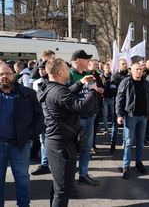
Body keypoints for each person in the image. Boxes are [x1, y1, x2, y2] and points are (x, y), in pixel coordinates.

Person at [37, 58, 102, 207]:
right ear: (60, 72)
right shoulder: (58, 91)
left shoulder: (50, 87)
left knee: (58, 186)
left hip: (57, 142)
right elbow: (81, 107)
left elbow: (65, 95)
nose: (69, 71)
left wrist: (81, 83)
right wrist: (92, 90)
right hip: (62, 145)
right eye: (67, 69)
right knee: (63, 190)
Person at [0, 63, 43, 207]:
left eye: (8, 73)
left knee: (22, 179)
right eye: (1, 74)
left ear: (14, 75)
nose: (4, 76)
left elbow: (39, 117)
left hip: (19, 144)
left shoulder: (28, 94)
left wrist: (30, 135)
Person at [115, 62, 149, 179]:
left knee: (140, 141)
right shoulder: (126, 82)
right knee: (128, 142)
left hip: (143, 116)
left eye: (140, 69)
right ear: (131, 71)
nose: (139, 71)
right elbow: (119, 98)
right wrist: (119, 114)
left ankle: (138, 162)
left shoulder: (146, 83)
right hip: (130, 116)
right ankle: (126, 166)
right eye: (136, 69)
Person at [69, 50, 102, 186]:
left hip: (90, 116)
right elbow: (64, 93)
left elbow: (92, 91)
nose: (89, 61)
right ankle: (69, 178)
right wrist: (81, 83)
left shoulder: (89, 74)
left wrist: (97, 90)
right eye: (86, 59)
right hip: (76, 118)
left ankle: (83, 174)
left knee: (86, 147)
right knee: (72, 149)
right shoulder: (69, 74)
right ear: (78, 60)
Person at [31, 61, 52, 175]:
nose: (41, 71)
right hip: (41, 116)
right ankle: (45, 164)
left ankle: (56, 163)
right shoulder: (36, 83)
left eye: (43, 69)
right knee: (43, 141)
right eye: (39, 69)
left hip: (52, 116)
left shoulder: (53, 81)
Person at [110, 58, 131, 153]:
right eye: (123, 64)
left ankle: (125, 143)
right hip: (118, 102)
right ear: (119, 65)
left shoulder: (129, 75)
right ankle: (112, 144)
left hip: (128, 103)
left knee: (127, 125)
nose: (125, 65)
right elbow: (113, 89)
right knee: (116, 125)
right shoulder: (115, 75)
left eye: (126, 63)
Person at [100, 63, 118, 153]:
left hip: (112, 98)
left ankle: (113, 128)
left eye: (109, 68)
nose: (108, 69)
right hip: (104, 99)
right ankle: (106, 129)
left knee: (113, 114)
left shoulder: (112, 77)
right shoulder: (101, 77)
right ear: (103, 69)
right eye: (106, 68)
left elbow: (115, 87)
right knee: (105, 114)